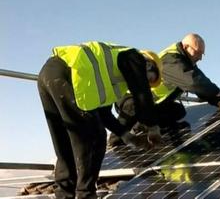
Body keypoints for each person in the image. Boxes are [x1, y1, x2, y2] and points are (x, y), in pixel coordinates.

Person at [37, 41, 163, 199]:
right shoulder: (133, 57)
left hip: (49, 73)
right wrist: (153, 127)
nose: (149, 84)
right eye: (151, 79)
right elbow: (141, 93)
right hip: (68, 73)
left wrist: (127, 136)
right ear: (149, 65)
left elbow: (104, 114)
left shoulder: (109, 80)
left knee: (65, 141)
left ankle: (65, 194)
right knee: (94, 137)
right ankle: (86, 194)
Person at [108, 33, 220, 147]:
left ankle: (144, 125)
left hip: (154, 104)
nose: (200, 57)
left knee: (178, 111)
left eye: (202, 54)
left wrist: (219, 102)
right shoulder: (171, 60)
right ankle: (114, 142)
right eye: (198, 52)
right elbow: (194, 83)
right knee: (132, 110)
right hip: (132, 99)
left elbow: (201, 84)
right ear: (186, 47)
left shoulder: (187, 62)